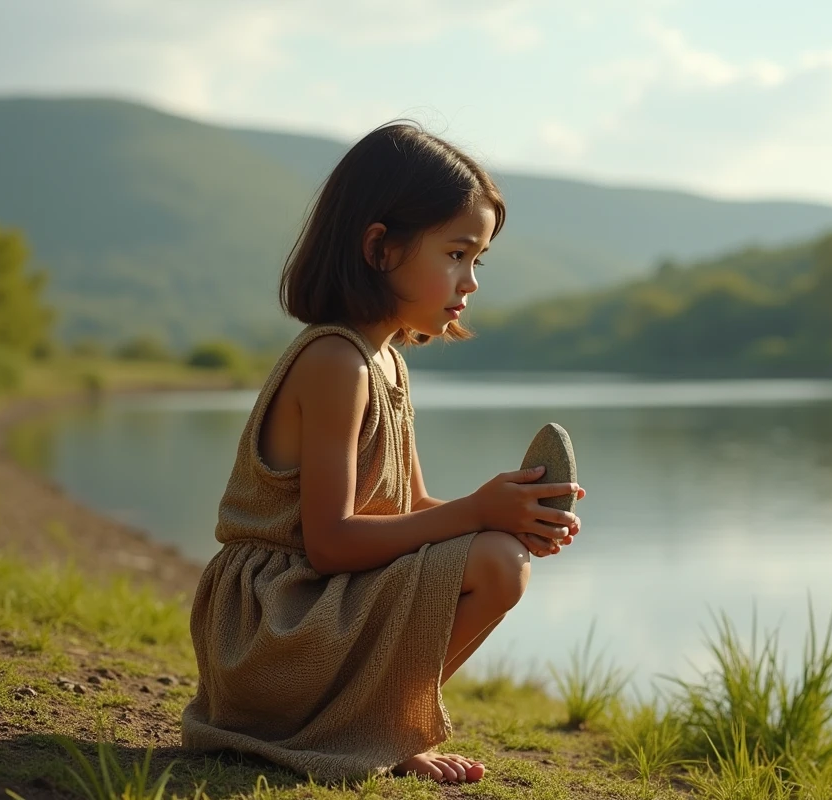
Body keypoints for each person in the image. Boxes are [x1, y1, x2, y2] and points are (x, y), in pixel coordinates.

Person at [181, 121, 586, 785]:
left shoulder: (386, 362)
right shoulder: (335, 361)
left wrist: (509, 510)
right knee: (497, 564)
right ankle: (376, 729)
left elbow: (414, 508)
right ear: (380, 248)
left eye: (477, 260)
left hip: (316, 607)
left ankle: (389, 725)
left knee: (501, 556)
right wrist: (481, 515)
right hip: (269, 627)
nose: (471, 281)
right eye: (456, 254)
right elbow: (332, 543)